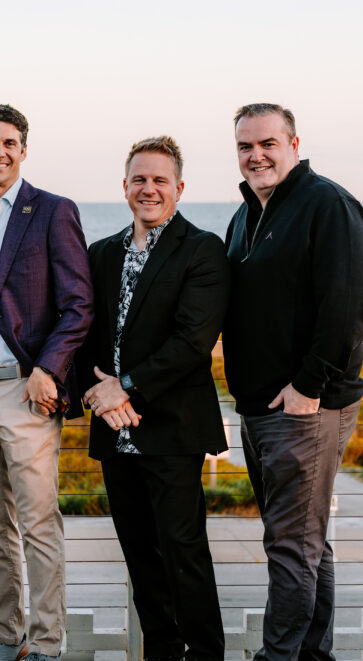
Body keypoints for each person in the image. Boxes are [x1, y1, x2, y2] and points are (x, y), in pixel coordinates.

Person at [222, 103, 363, 661]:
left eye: (267, 143)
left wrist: (308, 387)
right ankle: (313, 654)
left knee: (290, 546)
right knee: (308, 544)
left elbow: (345, 306)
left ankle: (277, 657)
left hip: (306, 408)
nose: (255, 155)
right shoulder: (247, 215)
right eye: (245, 147)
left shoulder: (327, 204)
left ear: (293, 144)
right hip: (260, 408)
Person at [0, 104, 94, 661]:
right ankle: (5, 633)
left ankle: (47, 643)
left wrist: (49, 369)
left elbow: (79, 304)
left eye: (10, 142)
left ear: (23, 150)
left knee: (37, 523)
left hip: (26, 392)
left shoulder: (52, 211)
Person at [80, 136, 229, 661]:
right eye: (139, 179)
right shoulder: (99, 254)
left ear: (179, 188)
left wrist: (127, 386)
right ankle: (162, 653)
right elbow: (82, 335)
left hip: (172, 428)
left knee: (183, 554)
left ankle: (207, 655)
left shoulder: (202, 249)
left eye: (160, 180)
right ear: (124, 187)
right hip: (113, 427)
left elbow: (193, 340)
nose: (149, 188)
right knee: (140, 555)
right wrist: (103, 398)